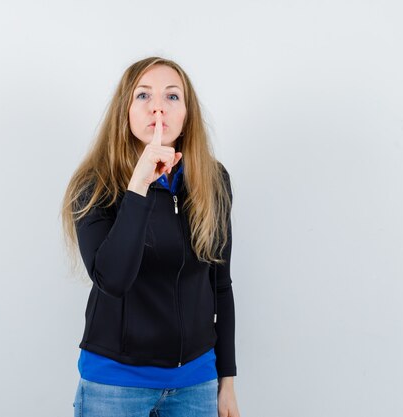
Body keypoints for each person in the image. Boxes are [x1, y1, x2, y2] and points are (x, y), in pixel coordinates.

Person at [61, 56, 241, 417]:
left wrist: (227, 382)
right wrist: (139, 186)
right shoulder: (94, 186)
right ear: (124, 111)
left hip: (195, 383)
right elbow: (112, 279)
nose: (158, 106)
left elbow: (220, 285)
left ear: (187, 113)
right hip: (115, 385)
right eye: (143, 96)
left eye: (172, 97)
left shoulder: (213, 180)